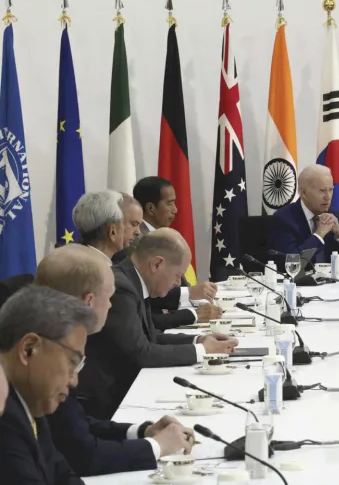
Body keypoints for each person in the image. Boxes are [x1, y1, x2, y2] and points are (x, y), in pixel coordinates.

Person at [37, 245, 196, 476]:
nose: (112, 305)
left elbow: (77, 425)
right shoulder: (47, 356)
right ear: (88, 301)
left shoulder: (54, 340)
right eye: (109, 297)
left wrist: (143, 431)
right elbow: (83, 454)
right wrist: (157, 446)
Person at [75, 229, 239, 419]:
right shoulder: (122, 289)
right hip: (106, 402)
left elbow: (152, 337)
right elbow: (141, 353)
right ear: (157, 264)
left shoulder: (134, 281)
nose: (178, 284)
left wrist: (199, 340)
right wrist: (203, 350)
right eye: (178, 275)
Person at [75, 191, 220, 330]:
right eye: (132, 223)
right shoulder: (95, 273)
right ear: (113, 231)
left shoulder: (87, 261)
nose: (138, 231)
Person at [0, 286, 96, 485]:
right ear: (29, 349)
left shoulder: (29, 399)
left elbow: (60, 473)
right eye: (72, 361)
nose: (74, 380)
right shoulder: (5, 418)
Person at [129, 177, 219, 329]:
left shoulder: (163, 235)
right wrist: (189, 293)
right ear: (151, 208)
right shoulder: (139, 241)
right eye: (169, 203)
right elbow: (146, 291)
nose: (175, 209)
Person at [269, 165, 339, 266]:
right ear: (304, 193)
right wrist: (319, 235)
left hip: (333, 280)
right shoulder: (284, 218)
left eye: (331, 190)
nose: (328, 197)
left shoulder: (333, 214)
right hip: (301, 281)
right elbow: (292, 264)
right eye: (322, 191)